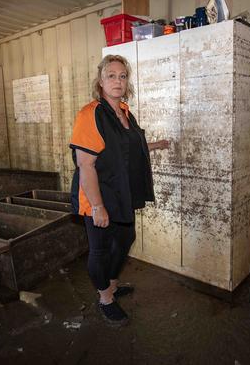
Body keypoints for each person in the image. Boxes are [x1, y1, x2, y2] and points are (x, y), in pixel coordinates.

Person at [69, 54, 169, 325]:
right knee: (99, 250)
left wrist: (154, 145)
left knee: (125, 239)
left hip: (121, 193)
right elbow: (85, 165)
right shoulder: (90, 114)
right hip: (98, 195)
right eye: (111, 75)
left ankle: (111, 283)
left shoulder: (124, 112)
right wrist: (98, 207)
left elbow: (125, 148)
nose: (118, 80)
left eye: (122, 76)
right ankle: (105, 298)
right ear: (100, 82)